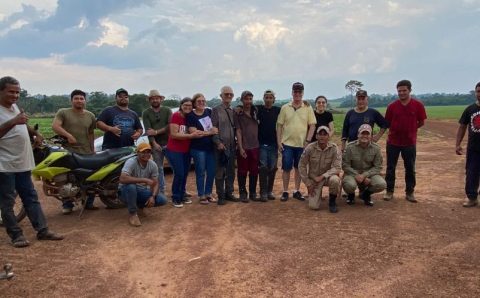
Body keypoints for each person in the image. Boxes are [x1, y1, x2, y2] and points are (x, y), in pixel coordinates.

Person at [0, 76, 63, 247]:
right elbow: (14, 123)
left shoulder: (13, 107)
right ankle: (16, 235)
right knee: (7, 202)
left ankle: (42, 230)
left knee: (31, 197)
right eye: (11, 92)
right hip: (4, 165)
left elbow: (22, 122)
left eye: (17, 92)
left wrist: (34, 133)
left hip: (22, 163)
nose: (15, 95)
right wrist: (14, 121)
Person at [52, 89, 98, 214]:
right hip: (68, 152)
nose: (79, 101)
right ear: (71, 100)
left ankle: (88, 203)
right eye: (76, 98)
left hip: (86, 151)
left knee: (90, 177)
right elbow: (56, 126)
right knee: (67, 179)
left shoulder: (90, 115)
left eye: (81, 98)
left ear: (85, 100)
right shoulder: (63, 112)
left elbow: (91, 133)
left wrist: (92, 149)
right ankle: (67, 204)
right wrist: (69, 136)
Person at [383, 80, 427, 203]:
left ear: (410, 90)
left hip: (409, 142)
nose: (401, 93)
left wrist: (411, 129)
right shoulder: (392, 106)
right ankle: (389, 191)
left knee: (410, 168)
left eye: (404, 90)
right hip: (393, 142)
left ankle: (410, 192)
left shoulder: (418, 105)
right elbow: (387, 122)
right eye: (399, 91)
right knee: (391, 167)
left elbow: (421, 122)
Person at [276, 82, 316, 202]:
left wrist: (308, 141)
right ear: (292, 92)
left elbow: (312, 125)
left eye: (299, 92)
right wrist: (279, 142)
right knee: (286, 168)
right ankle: (285, 191)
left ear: (302, 93)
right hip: (287, 144)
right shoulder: (285, 107)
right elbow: (279, 126)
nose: (297, 94)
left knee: (299, 168)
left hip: (301, 144)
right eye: (295, 91)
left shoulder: (307, 107)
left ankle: (297, 190)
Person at [118, 142, 168, 227]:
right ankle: (133, 214)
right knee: (131, 186)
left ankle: (140, 207)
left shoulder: (152, 165)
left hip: (140, 190)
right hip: (124, 191)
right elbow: (122, 178)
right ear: (137, 153)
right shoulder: (131, 162)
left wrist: (153, 196)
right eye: (143, 152)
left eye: (148, 152)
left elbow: (155, 183)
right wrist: (144, 180)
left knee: (162, 199)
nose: (146, 154)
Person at [165, 98, 202, 208]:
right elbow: (173, 134)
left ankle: (182, 193)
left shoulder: (190, 117)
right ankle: (176, 197)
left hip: (186, 150)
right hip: (174, 150)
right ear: (181, 105)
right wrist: (191, 136)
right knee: (179, 173)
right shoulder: (176, 116)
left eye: (190, 105)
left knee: (185, 173)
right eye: (185, 105)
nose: (188, 107)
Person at [299, 126, 341, 213]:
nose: (322, 137)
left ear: (328, 136)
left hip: (327, 178)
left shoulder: (334, 148)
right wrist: (308, 183)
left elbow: (337, 167)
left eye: (325, 134)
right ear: (316, 136)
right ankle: (317, 196)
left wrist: (323, 176)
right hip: (314, 180)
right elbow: (301, 165)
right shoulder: (310, 148)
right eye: (320, 134)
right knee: (313, 206)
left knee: (335, 180)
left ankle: (332, 202)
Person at [342, 124, 386, 206]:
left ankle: (366, 195)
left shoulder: (376, 148)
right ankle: (351, 195)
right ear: (358, 134)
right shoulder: (349, 147)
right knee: (349, 185)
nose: (364, 136)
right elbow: (345, 165)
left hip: (369, 173)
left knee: (381, 184)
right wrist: (357, 175)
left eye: (367, 134)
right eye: (362, 133)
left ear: (371, 136)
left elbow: (377, 167)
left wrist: (365, 175)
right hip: (352, 173)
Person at [187, 93, 218, 205]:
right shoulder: (191, 115)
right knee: (200, 172)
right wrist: (210, 132)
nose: (201, 103)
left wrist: (204, 132)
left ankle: (208, 193)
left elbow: (215, 127)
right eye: (199, 101)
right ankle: (201, 195)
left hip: (210, 148)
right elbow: (194, 133)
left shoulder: (209, 112)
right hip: (198, 148)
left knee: (211, 172)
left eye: (203, 101)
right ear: (194, 103)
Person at [212, 86, 238, 205]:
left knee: (231, 171)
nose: (228, 96)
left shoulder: (233, 111)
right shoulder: (216, 110)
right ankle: (220, 195)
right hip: (221, 147)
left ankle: (229, 193)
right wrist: (218, 142)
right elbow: (213, 129)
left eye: (230, 94)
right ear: (221, 96)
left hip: (232, 146)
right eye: (226, 94)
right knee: (220, 172)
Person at [142, 89, 172, 194]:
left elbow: (169, 126)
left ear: (161, 99)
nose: (155, 100)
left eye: (157, 98)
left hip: (169, 143)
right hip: (155, 145)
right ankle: (161, 191)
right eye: (153, 99)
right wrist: (154, 143)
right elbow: (148, 130)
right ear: (149, 100)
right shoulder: (146, 113)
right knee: (158, 169)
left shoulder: (167, 110)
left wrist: (156, 131)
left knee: (176, 167)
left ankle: (180, 190)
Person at [455, 81, 480, 207]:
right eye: (478, 91)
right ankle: (471, 197)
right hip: (474, 148)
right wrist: (457, 144)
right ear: (475, 93)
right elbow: (462, 127)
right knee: (471, 173)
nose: (479, 94)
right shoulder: (470, 109)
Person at [234, 91, 260, 203]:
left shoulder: (257, 111)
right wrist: (240, 147)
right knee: (242, 171)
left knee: (254, 171)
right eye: (246, 99)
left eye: (250, 99)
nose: (248, 101)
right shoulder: (238, 114)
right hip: (244, 146)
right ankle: (243, 193)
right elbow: (238, 131)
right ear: (242, 100)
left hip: (255, 146)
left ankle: (253, 193)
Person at [257, 89, 281, 201]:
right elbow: (246, 107)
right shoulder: (258, 109)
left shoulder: (278, 110)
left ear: (274, 99)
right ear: (263, 99)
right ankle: (263, 192)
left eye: (270, 97)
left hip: (274, 144)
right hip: (262, 144)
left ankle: (269, 191)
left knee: (272, 168)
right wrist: (238, 108)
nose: (268, 99)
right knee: (263, 167)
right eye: (266, 97)